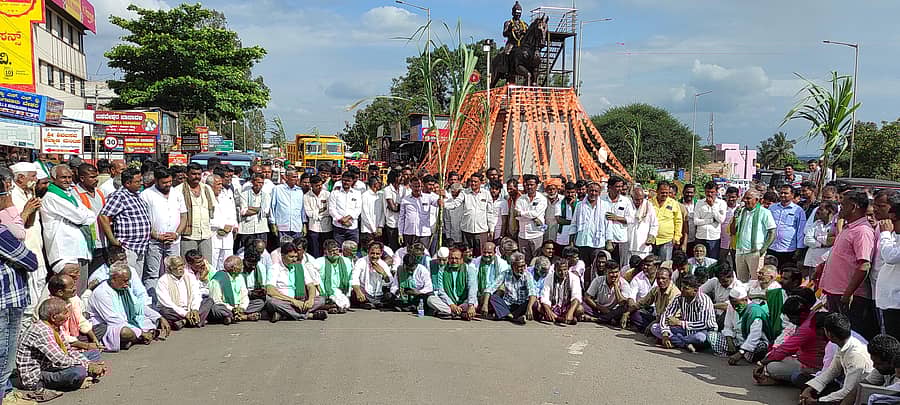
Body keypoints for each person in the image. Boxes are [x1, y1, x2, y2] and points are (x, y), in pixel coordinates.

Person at [13, 298, 106, 394]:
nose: (68, 316)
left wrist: (89, 363)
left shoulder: (55, 327)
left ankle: (85, 375)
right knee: (79, 371)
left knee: (94, 353)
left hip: (50, 365)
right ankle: (78, 380)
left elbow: (68, 351)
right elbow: (60, 360)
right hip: (36, 376)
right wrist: (88, 366)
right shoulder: (42, 330)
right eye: (65, 313)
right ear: (54, 317)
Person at [820, 190, 879, 340]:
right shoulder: (849, 227)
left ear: (853, 207)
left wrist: (848, 293)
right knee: (836, 337)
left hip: (849, 296)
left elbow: (864, 265)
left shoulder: (862, 231)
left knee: (850, 338)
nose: (840, 208)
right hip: (836, 292)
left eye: (843, 204)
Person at [87, 263, 170, 352]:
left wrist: (159, 317)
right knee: (125, 332)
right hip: (106, 326)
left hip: (126, 321)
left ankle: (136, 338)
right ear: (113, 279)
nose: (128, 284)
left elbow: (138, 306)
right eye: (125, 281)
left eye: (128, 280)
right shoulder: (102, 292)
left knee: (148, 320)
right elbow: (113, 320)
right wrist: (140, 332)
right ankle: (141, 338)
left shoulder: (124, 287)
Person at [0, 223, 39, 402]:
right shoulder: (1, 232)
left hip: (9, 301)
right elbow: (30, 260)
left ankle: (7, 393)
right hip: (7, 301)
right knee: (4, 360)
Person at [801, 313, 874, 405]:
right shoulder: (843, 344)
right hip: (847, 388)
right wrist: (810, 388)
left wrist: (817, 402)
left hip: (858, 396)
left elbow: (848, 392)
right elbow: (831, 372)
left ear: (829, 334)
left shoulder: (855, 354)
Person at [41, 164, 96, 283]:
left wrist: (83, 216)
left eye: (69, 177)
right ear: (53, 178)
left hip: (79, 250)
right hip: (65, 254)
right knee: (68, 291)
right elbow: (80, 217)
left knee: (79, 292)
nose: (67, 180)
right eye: (63, 177)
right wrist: (83, 217)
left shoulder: (69, 194)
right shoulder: (51, 197)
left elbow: (90, 214)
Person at [139, 167, 186, 300]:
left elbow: (184, 216)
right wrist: (157, 235)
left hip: (174, 240)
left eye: (170, 182)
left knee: (175, 271)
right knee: (152, 273)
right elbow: (144, 220)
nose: (168, 185)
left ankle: (174, 299)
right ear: (157, 181)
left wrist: (176, 234)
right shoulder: (146, 195)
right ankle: (153, 301)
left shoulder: (177, 193)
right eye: (164, 183)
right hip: (154, 241)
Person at [708, 285, 773, 365]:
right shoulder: (731, 307)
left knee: (761, 347)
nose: (735, 307)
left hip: (752, 342)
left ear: (745, 300)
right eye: (733, 305)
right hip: (737, 340)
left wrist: (741, 352)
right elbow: (727, 326)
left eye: (737, 305)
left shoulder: (754, 312)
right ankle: (737, 352)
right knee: (712, 336)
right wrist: (730, 342)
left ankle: (742, 353)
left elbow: (754, 336)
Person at [652, 274, 717, 353]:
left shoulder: (703, 300)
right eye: (682, 287)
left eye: (686, 288)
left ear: (695, 290)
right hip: (685, 331)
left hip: (704, 331)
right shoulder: (679, 297)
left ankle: (677, 340)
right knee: (655, 328)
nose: (682, 290)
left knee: (700, 337)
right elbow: (666, 314)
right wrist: (665, 334)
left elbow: (703, 324)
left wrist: (679, 323)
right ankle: (685, 344)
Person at [264, 243, 328, 322]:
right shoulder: (275, 268)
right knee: (271, 302)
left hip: (300, 301)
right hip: (284, 301)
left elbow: (311, 286)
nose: (294, 259)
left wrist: (310, 300)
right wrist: (292, 301)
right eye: (291, 257)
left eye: (296, 256)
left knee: (321, 300)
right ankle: (309, 315)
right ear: (282, 256)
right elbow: (270, 290)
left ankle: (284, 315)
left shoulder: (300, 267)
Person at [42, 274, 103, 354]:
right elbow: (59, 335)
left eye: (74, 285)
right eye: (71, 288)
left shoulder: (72, 300)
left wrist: (95, 340)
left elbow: (81, 321)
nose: (75, 289)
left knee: (101, 328)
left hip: (74, 335)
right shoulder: (51, 306)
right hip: (59, 338)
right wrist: (86, 346)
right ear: (60, 292)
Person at [731, 190, 776, 283]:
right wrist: (735, 217)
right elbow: (733, 231)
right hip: (740, 251)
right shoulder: (742, 211)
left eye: (748, 198)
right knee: (741, 281)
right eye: (744, 198)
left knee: (756, 280)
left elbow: (772, 232)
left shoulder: (765, 212)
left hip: (755, 252)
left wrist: (763, 249)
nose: (745, 200)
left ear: (756, 200)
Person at [156, 256, 211, 329]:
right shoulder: (163, 281)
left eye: (182, 265)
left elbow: (196, 294)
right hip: (175, 311)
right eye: (177, 266)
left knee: (208, 301)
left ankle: (184, 322)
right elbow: (167, 303)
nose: (181, 268)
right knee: (164, 312)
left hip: (190, 309)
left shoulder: (189, 276)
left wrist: (195, 309)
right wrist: (185, 314)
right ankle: (197, 321)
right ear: (169, 269)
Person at [176, 163, 216, 259]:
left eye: (199, 174)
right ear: (187, 174)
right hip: (188, 235)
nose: (196, 177)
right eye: (193, 174)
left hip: (205, 233)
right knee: (188, 266)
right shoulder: (178, 190)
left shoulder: (206, 188)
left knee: (206, 266)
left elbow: (213, 208)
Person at [73, 164, 107, 276]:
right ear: (82, 178)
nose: (96, 180)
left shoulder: (99, 192)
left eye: (96, 176)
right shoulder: (75, 194)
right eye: (92, 177)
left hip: (102, 241)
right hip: (86, 243)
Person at [207, 256, 262, 324]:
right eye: (241, 265)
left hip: (239, 308)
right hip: (227, 308)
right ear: (234, 268)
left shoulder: (240, 277)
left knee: (259, 302)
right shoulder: (217, 280)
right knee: (216, 308)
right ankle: (243, 317)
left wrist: (242, 308)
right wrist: (232, 309)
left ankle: (231, 317)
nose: (242, 267)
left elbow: (244, 296)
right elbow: (217, 301)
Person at [875, 191, 900, 340]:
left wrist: (885, 234)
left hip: (896, 302)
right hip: (888, 300)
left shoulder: (888, 234)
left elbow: (890, 256)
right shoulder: (895, 235)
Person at [488, 252, 538, 324]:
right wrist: (485, 305)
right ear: (512, 266)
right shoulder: (505, 273)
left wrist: (529, 307)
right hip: (508, 305)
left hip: (521, 306)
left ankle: (505, 315)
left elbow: (532, 292)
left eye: (523, 266)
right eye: (519, 266)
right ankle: (512, 317)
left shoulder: (527, 275)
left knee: (534, 303)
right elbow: (491, 288)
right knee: (493, 297)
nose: (522, 269)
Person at [429, 247, 478, 320]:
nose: (454, 261)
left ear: (462, 260)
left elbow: (472, 288)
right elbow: (441, 291)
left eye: (456, 258)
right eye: (452, 258)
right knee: (430, 299)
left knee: (475, 302)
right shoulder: (442, 270)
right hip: (448, 303)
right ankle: (460, 313)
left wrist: (471, 305)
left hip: (463, 302)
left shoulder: (469, 270)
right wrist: (451, 304)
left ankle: (452, 312)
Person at [583, 261, 634, 327]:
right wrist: (601, 308)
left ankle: (597, 319)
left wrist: (615, 285)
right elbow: (587, 297)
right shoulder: (598, 280)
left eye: (616, 272)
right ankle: (608, 319)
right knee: (582, 302)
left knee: (625, 307)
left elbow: (622, 303)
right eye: (611, 273)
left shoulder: (624, 284)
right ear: (605, 273)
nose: (614, 275)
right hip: (599, 308)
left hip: (615, 312)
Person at [629, 266, 680, 333]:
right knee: (635, 314)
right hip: (658, 318)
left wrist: (652, 324)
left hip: (670, 322)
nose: (660, 281)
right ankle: (652, 331)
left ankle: (654, 332)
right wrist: (627, 312)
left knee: (656, 327)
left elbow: (668, 315)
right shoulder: (656, 290)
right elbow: (642, 303)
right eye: (658, 278)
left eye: (663, 278)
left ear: (670, 279)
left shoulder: (674, 293)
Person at [767, 184, 808, 267]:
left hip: (788, 250)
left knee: (786, 274)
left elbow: (801, 230)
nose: (782, 195)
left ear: (792, 195)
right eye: (781, 193)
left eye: (786, 193)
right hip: (771, 247)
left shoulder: (798, 210)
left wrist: (799, 248)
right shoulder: (772, 208)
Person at [398, 177, 441, 249]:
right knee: (410, 255)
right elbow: (402, 218)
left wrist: (441, 197)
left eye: (419, 186)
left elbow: (437, 203)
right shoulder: (405, 200)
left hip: (424, 234)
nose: (417, 189)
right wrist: (400, 233)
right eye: (415, 186)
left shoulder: (428, 197)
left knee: (423, 255)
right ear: (410, 186)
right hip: (409, 233)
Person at [573, 182, 609, 266]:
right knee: (582, 266)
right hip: (582, 242)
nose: (593, 193)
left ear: (599, 193)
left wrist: (609, 240)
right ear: (587, 191)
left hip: (598, 243)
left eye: (596, 191)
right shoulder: (579, 205)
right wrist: (571, 241)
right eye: (591, 191)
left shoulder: (605, 206)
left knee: (597, 267)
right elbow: (574, 223)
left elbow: (608, 225)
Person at [458, 173, 494, 257]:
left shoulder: (486, 194)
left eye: (475, 181)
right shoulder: (464, 193)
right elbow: (455, 204)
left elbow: (490, 212)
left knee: (481, 255)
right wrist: (443, 201)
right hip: (467, 230)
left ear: (480, 182)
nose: (473, 183)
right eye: (471, 181)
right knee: (467, 255)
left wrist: (491, 228)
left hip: (481, 230)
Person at [538, 257, 583, 325]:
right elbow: (545, 297)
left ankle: (558, 318)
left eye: (565, 270)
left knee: (580, 309)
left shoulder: (574, 278)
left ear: (568, 269)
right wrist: (548, 311)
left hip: (567, 307)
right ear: (554, 269)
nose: (562, 273)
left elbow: (576, 297)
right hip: (553, 306)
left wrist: (570, 312)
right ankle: (561, 319)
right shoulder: (549, 277)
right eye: (559, 270)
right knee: (539, 307)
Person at [514, 174, 548, 263]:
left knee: (537, 261)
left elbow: (535, 213)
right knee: (524, 261)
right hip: (522, 235)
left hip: (536, 234)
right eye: (527, 184)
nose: (529, 187)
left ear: (536, 185)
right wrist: (531, 217)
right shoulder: (521, 199)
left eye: (532, 185)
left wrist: (522, 214)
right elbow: (517, 216)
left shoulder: (542, 199)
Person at [350, 241, 395, 309]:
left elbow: (390, 282)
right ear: (368, 252)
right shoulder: (361, 261)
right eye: (372, 253)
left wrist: (383, 273)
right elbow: (354, 278)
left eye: (377, 254)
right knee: (353, 294)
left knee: (389, 296)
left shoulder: (383, 264)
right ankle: (370, 304)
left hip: (379, 295)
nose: (374, 256)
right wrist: (358, 291)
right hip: (364, 294)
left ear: (381, 254)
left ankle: (375, 304)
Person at [208, 174, 238, 272]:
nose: (221, 186)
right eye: (218, 184)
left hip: (227, 236)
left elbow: (233, 212)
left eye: (221, 184)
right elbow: (206, 218)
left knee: (228, 263)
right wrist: (221, 226)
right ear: (210, 186)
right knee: (212, 264)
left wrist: (233, 226)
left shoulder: (226, 197)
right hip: (213, 235)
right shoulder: (205, 198)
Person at [314, 239, 353, 313]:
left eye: (337, 250)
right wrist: (321, 290)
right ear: (326, 252)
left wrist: (348, 293)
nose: (335, 252)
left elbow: (351, 278)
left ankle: (333, 306)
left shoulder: (346, 261)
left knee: (344, 301)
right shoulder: (319, 262)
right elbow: (313, 276)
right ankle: (331, 306)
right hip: (325, 290)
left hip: (341, 290)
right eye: (332, 251)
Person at [700, 262, 744, 327]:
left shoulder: (739, 287)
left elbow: (729, 306)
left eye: (725, 281)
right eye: (720, 281)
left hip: (729, 317)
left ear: (731, 276)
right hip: (714, 314)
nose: (722, 283)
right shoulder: (715, 281)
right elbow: (699, 291)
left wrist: (709, 306)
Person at [602, 176, 633, 264]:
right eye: (617, 186)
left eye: (621, 186)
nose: (619, 189)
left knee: (622, 265)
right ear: (610, 187)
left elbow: (631, 219)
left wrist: (617, 218)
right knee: (606, 265)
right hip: (605, 239)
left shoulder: (626, 201)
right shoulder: (601, 200)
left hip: (621, 239)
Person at [472, 240, 509, 314]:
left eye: (489, 253)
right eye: (484, 252)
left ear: (495, 253)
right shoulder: (475, 262)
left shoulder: (502, 264)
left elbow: (497, 283)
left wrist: (486, 298)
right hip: (480, 293)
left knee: (502, 287)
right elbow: (472, 280)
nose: (486, 254)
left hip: (494, 293)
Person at [268, 168, 305, 242]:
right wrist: (272, 223)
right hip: (282, 226)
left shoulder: (299, 191)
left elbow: (302, 209)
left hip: (296, 226)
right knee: (284, 250)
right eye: (294, 177)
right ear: (287, 177)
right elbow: (272, 207)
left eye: (297, 177)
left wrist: (304, 223)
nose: (296, 179)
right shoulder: (277, 189)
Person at [649, 181, 682, 261]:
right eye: (662, 192)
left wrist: (677, 237)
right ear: (657, 191)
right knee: (650, 265)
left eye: (667, 193)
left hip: (666, 240)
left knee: (665, 265)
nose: (665, 195)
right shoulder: (649, 203)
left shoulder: (673, 203)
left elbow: (678, 221)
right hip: (650, 240)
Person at [694, 181, 727, 260]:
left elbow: (721, 220)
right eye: (708, 192)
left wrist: (712, 206)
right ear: (705, 191)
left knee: (712, 261)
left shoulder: (721, 203)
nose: (710, 194)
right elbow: (696, 221)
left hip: (713, 238)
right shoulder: (699, 203)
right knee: (699, 260)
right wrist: (710, 220)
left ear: (716, 192)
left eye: (712, 192)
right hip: (700, 236)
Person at [237, 173, 271, 250]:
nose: (260, 185)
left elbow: (265, 211)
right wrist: (259, 209)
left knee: (261, 251)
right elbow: (243, 212)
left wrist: (250, 208)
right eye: (258, 182)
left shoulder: (266, 196)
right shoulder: (244, 194)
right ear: (252, 182)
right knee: (246, 250)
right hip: (247, 229)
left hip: (261, 228)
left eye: (262, 183)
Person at [328, 171, 363, 246]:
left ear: (352, 181)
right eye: (344, 180)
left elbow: (358, 209)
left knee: (352, 251)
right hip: (338, 228)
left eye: (348, 181)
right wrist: (341, 220)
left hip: (352, 227)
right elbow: (331, 209)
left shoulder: (357, 193)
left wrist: (347, 218)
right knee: (339, 251)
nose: (346, 182)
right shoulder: (335, 193)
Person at [625, 185, 658, 260]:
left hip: (643, 246)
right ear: (632, 197)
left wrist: (651, 236)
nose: (639, 202)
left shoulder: (648, 205)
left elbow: (654, 224)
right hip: (629, 244)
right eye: (637, 200)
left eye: (641, 199)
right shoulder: (627, 204)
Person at [803, 200, 836, 272]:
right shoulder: (816, 223)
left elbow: (832, 240)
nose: (817, 211)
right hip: (813, 262)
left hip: (826, 261)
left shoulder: (835, 226)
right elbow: (807, 240)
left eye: (821, 209)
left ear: (829, 211)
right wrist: (820, 244)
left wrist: (817, 238)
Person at [304, 175, 332, 258]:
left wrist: (317, 213)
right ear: (311, 185)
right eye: (317, 185)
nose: (319, 187)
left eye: (321, 185)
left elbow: (329, 210)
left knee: (326, 249)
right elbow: (308, 212)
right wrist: (320, 212)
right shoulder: (306, 196)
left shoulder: (327, 195)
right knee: (314, 250)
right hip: (313, 227)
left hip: (326, 226)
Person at [359, 176, 384, 249]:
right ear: (375, 184)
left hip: (379, 230)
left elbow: (383, 212)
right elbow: (365, 214)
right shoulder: (365, 195)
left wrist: (380, 226)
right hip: (367, 230)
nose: (381, 184)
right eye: (379, 183)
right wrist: (373, 229)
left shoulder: (381, 195)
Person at [381, 170, 404, 250]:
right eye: (400, 176)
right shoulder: (387, 190)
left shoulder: (403, 189)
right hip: (392, 223)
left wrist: (399, 205)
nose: (402, 178)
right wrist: (402, 206)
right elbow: (393, 208)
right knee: (394, 247)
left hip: (402, 223)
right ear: (395, 178)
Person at [554, 181, 579, 253]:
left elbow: (580, 218)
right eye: (568, 192)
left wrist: (573, 206)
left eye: (572, 192)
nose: (570, 195)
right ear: (564, 192)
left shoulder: (580, 204)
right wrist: (574, 222)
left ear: (575, 192)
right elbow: (559, 220)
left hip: (575, 235)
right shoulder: (559, 203)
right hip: (562, 235)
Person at [720, 186, 740, 265]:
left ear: (737, 197)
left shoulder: (740, 208)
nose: (731, 199)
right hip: (723, 240)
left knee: (736, 263)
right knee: (721, 262)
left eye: (733, 197)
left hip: (735, 241)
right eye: (729, 197)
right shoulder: (722, 207)